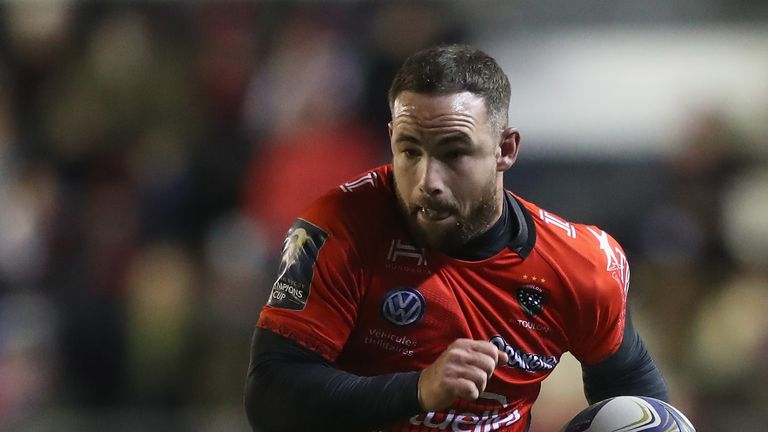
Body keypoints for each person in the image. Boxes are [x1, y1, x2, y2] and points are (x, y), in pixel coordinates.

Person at [244, 44, 668, 432]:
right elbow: (270, 397)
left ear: (506, 149)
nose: (427, 181)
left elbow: (634, 396)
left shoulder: (582, 265)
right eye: (410, 150)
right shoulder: (341, 230)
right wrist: (417, 390)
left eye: (454, 152)